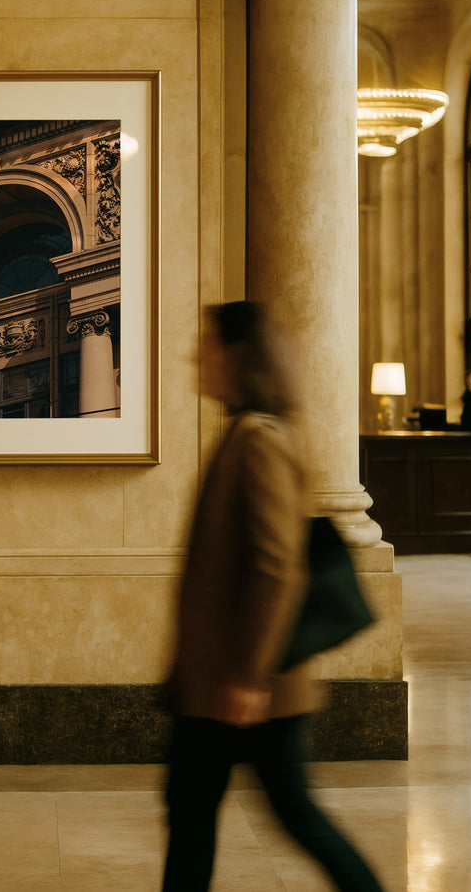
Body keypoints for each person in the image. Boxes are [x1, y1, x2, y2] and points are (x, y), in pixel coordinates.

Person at [162, 301, 383, 892]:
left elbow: (275, 567)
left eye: (207, 346)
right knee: (193, 814)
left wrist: (249, 676)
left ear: (237, 357)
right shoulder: (247, 432)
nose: (195, 357)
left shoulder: (258, 438)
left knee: (288, 817)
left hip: (245, 684)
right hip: (226, 680)